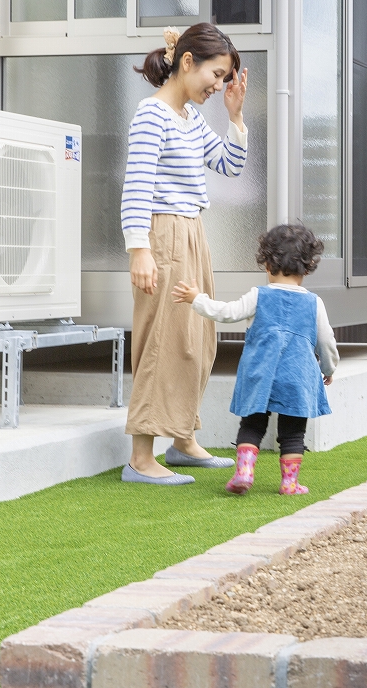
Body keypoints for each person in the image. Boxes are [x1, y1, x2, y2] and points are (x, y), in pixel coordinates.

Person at [120, 24, 250, 486]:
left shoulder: (192, 119)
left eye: (224, 80)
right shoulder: (152, 115)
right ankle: (140, 457)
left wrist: (234, 118)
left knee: (199, 336)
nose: (217, 87)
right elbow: (136, 185)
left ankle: (182, 439)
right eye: (215, 76)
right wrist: (139, 250)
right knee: (163, 340)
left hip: (193, 231)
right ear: (188, 61)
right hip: (162, 233)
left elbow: (229, 166)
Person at [172, 224, 338, 495]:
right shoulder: (314, 303)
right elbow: (326, 342)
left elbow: (226, 313)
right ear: (307, 269)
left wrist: (196, 299)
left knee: (252, 424)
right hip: (297, 376)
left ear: (267, 264)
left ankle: (244, 472)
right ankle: (290, 483)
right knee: (293, 432)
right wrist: (328, 368)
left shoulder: (258, 295)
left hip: (259, 373)